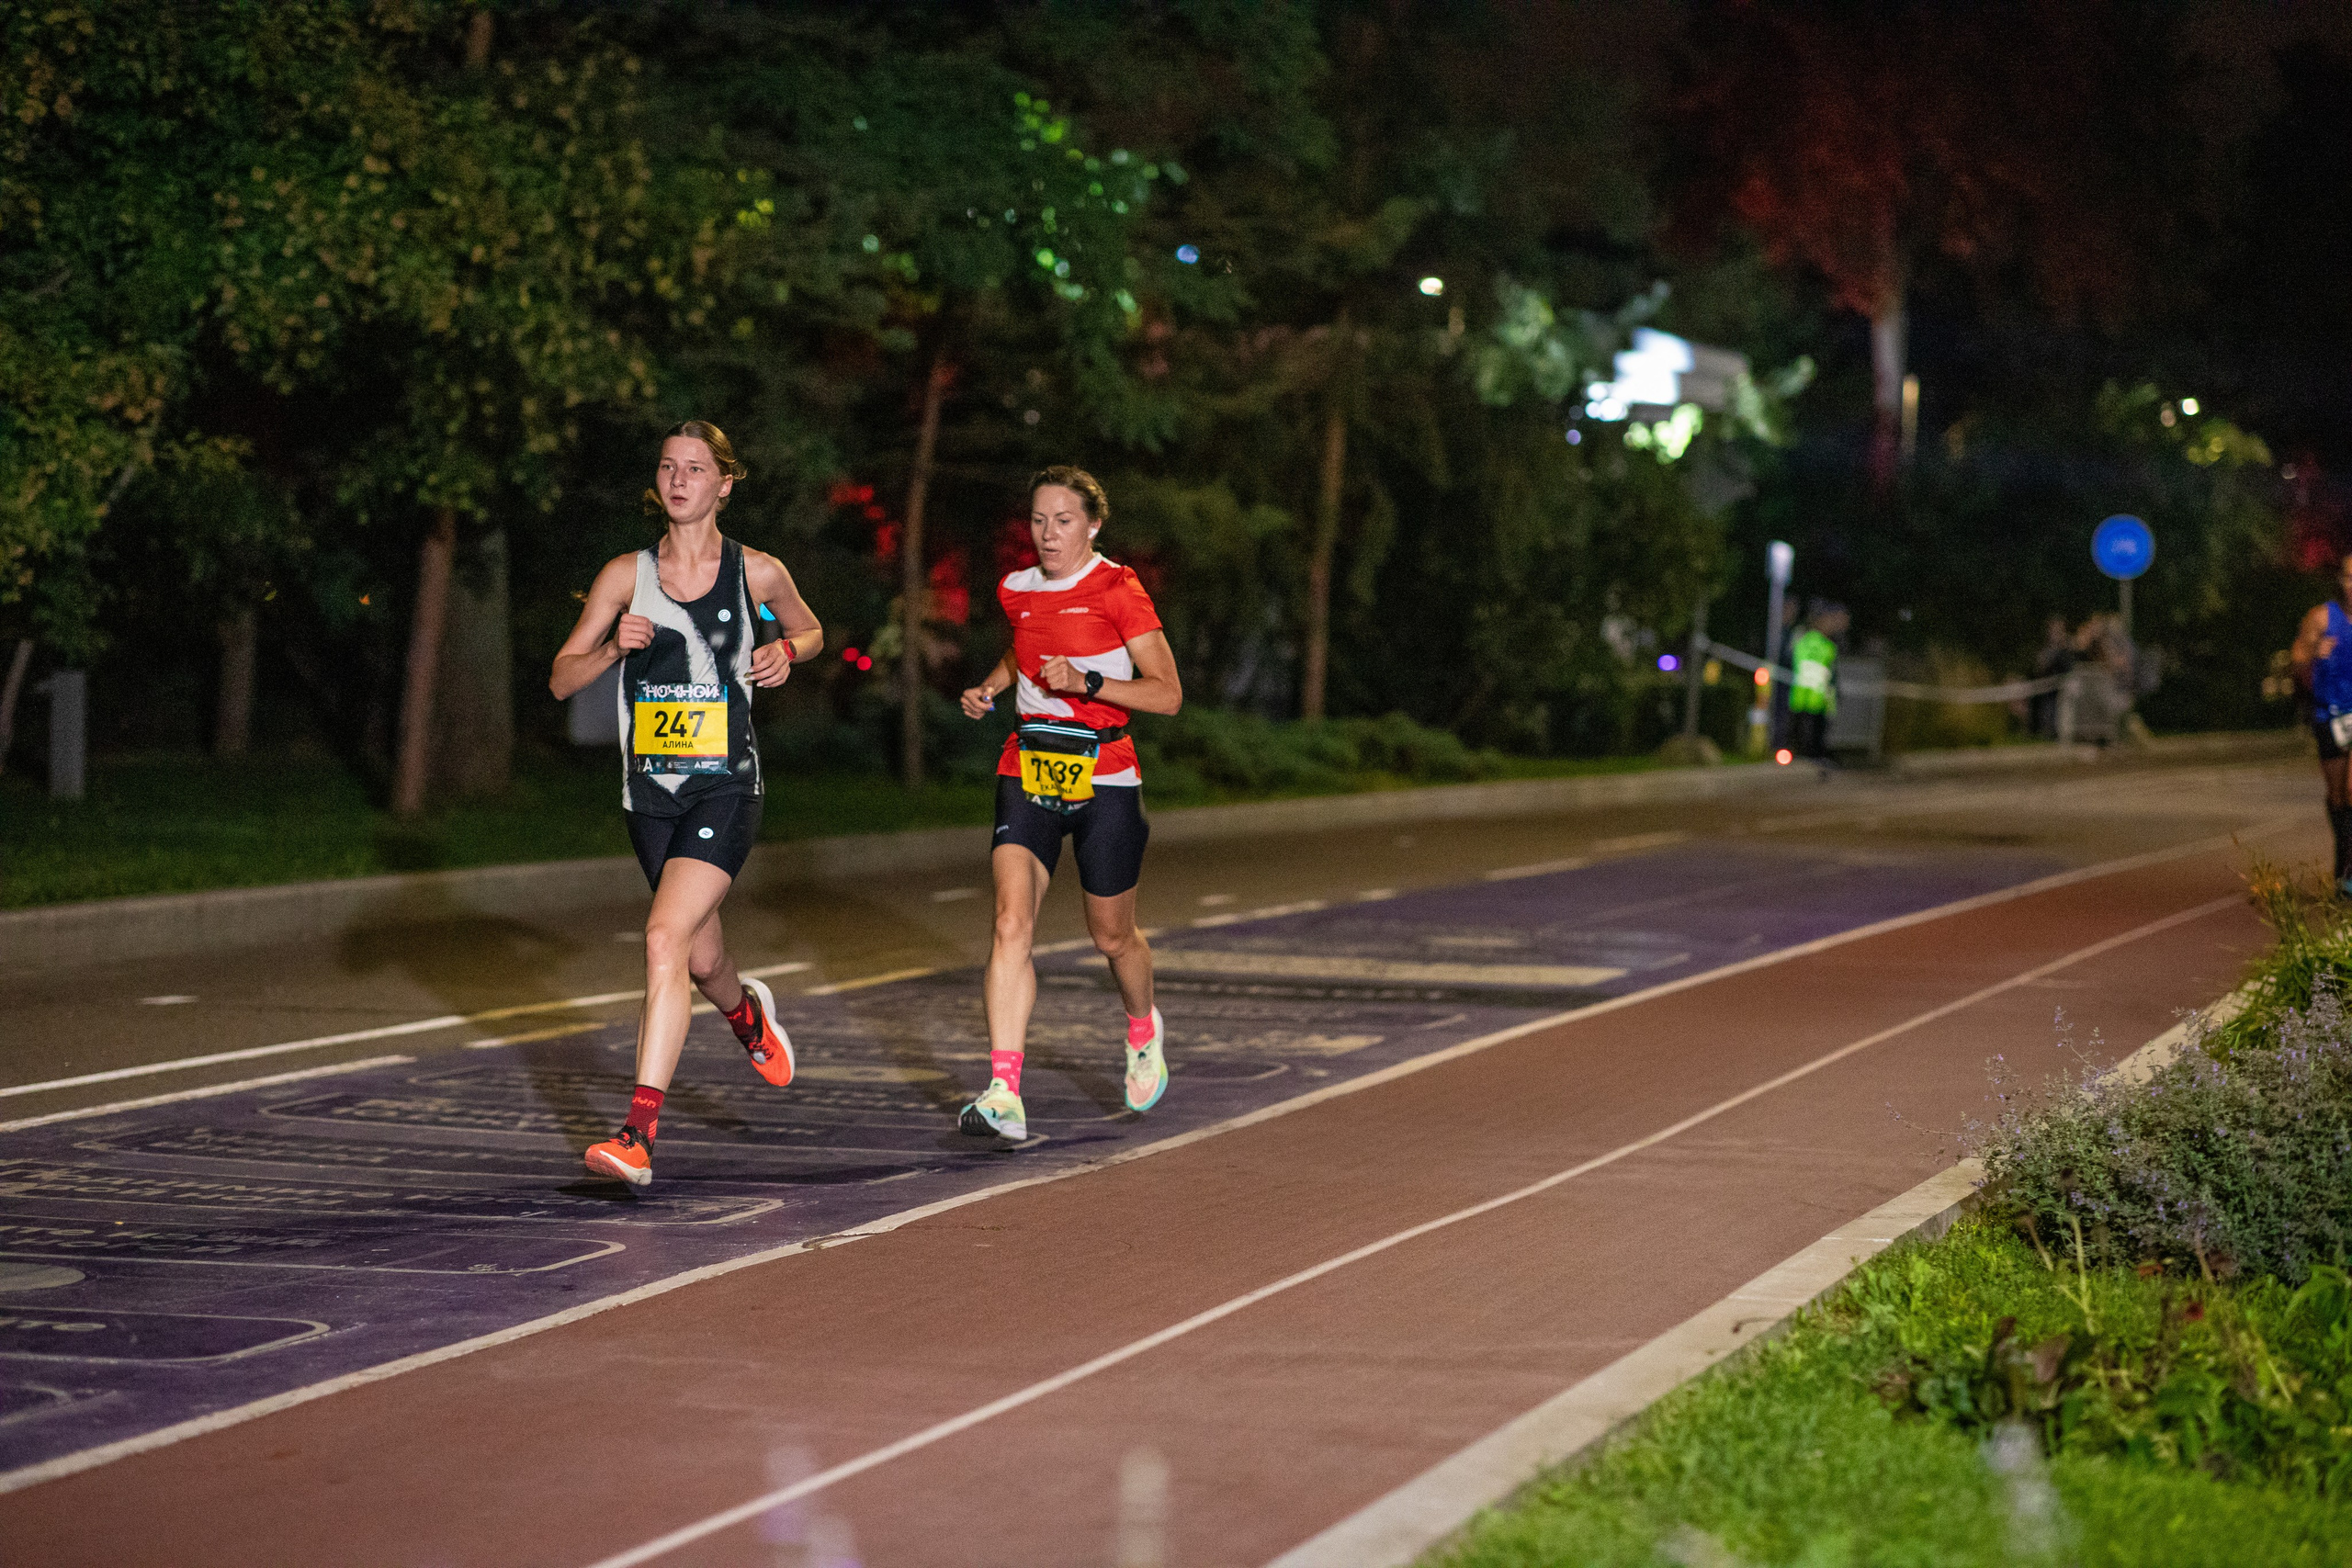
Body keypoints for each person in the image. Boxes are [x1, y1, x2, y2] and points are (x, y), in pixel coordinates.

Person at [549, 420, 823, 1186]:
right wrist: (610, 650)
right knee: (701, 956)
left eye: (696, 468)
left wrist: (784, 651)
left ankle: (636, 1134)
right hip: (651, 796)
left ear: (724, 483)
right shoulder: (623, 576)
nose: (678, 480)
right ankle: (746, 1014)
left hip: (727, 784)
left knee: (664, 937)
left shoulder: (757, 572)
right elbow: (561, 679)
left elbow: (812, 631)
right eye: (668, 467)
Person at [954, 467, 1183, 1141]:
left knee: (1112, 934)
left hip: (1105, 773)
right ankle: (1003, 1091)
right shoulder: (1016, 589)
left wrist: (1089, 680)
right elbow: (1022, 642)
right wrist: (994, 686)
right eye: (1038, 520)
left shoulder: (1118, 588)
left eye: (1063, 520)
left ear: (1092, 524)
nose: (1048, 533)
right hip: (1027, 767)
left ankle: (1142, 1029)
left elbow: (1166, 692)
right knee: (1009, 923)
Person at [2290, 552, 2352, 896]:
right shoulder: (2321, 618)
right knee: (2338, 795)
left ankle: (2349, 869)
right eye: (2347, 577)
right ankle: (2343, 861)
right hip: (2331, 714)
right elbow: (2297, 663)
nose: (2351, 585)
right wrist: (2315, 655)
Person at [1787, 602, 1847, 761]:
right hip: (1818, 696)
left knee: (1803, 730)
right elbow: (1831, 674)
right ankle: (1812, 755)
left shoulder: (1802, 640)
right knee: (1814, 732)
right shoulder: (1827, 645)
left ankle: (1805, 754)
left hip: (1801, 695)